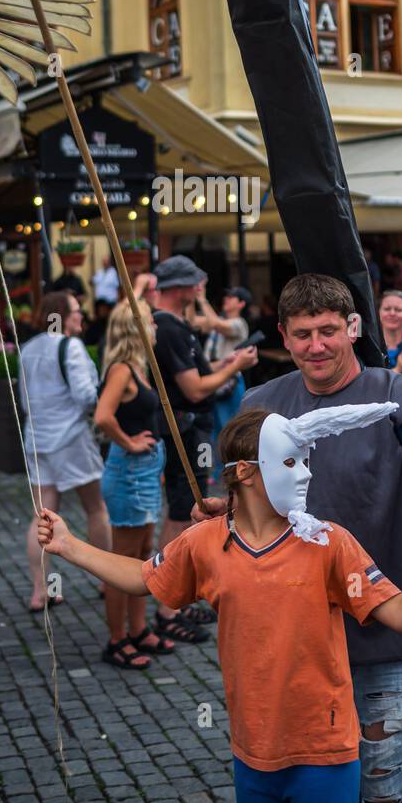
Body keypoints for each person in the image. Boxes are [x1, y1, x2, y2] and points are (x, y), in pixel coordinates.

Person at [37, 404, 402, 803]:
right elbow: (144, 578)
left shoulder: (328, 542)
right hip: (253, 753)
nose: (305, 473)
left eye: (305, 460)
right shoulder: (204, 542)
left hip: (325, 753)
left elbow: (399, 611)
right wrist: (69, 545)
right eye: (290, 462)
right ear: (245, 472)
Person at [199, 273, 402, 803]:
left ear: (354, 329)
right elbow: (251, 505)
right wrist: (223, 512)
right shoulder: (259, 406)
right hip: (295, 651)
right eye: (304, 333)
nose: (317, 346)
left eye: (330, 331)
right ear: (283, 336)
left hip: (389, 642)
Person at [151, 255, 258, 644]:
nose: (202, 286)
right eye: (196, 281)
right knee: (182, 513)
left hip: (191, 429)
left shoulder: (178, 324)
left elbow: (196, 371)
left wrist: (223, 361)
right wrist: (236, 366)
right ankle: (167, 608)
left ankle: (175, 601)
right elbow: (194, 388)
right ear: (181, 286)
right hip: (184, 429)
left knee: (187, 508)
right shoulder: (169, 327)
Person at [93, 298, 174, 668]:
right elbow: (103, 416)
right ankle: (116, 638)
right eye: (150, 323)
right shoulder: (122, 370)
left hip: (143, 470)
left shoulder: (139, 367)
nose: (156, 328)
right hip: (127, 470)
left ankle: (138, 629)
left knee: (143, 556)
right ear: (136, 328)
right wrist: (128, 442)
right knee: (122, 561)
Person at [19, 290, 110, 614]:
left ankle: (39, 590)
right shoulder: (70, 346)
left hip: (37, 440)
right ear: (60, 313)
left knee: (42, 516)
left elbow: (23, 398)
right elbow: (86, 397)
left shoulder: (27, 349)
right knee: (95, 508)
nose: (81, 315)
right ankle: (107, 579)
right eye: (75, 310)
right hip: (71, 438)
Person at [192, 284, 252, 435]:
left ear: (241, 304)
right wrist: (191, 297)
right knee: (214, 428)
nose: (226, 299)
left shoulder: (240, 324)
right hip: (213, 378)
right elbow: (191, 321)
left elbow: (215, 324)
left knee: (230, 429)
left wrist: (202, 299)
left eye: (231, 297)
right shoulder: (217, 319)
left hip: (230, 384)